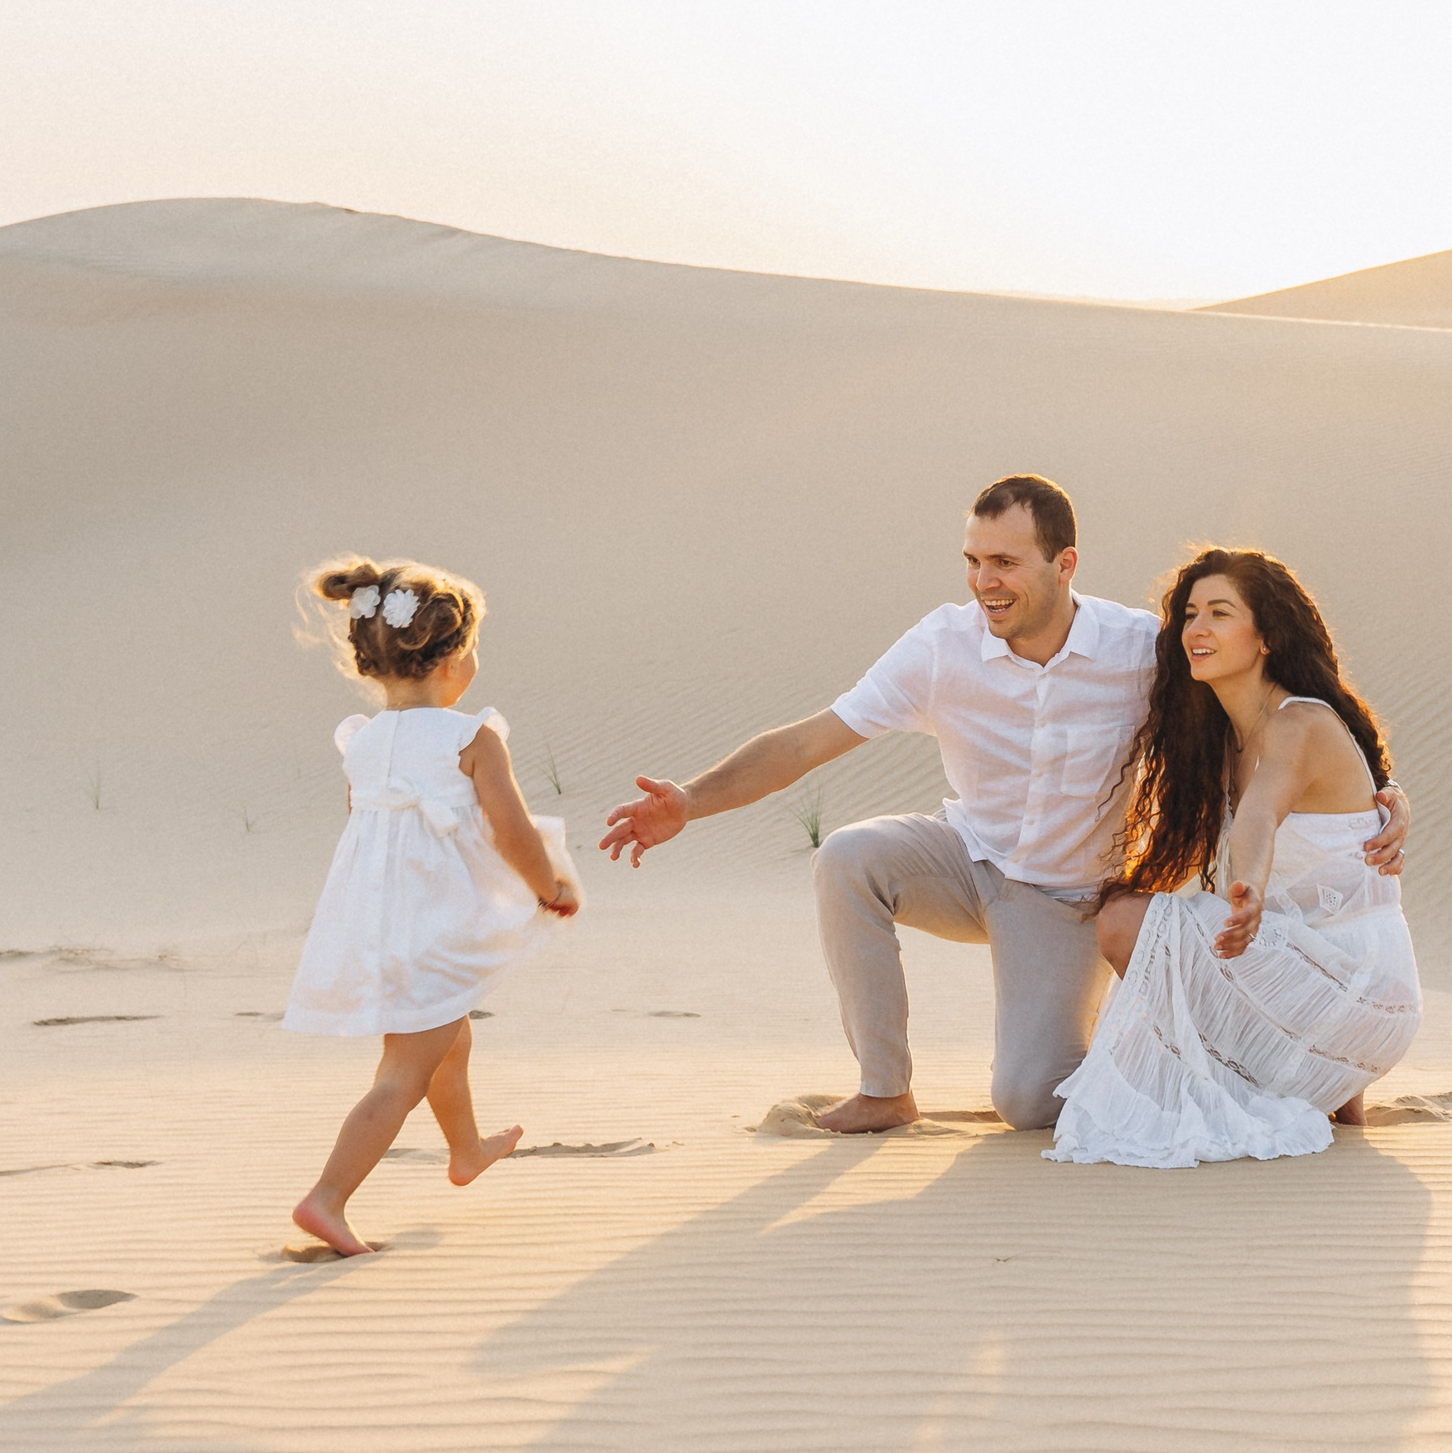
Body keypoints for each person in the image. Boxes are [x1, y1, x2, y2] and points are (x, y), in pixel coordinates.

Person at [599, 477, 1408, 1133]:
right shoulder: (942, 647)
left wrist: (1383, 794)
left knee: (1028, 1103)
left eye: (1007, 562)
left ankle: (1210, 1069)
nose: (986, 581)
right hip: (968, 858)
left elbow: (1282, 726)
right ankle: (885, 1089)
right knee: (849, 855)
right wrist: (692, 800)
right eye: (974, 560)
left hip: (1065, 898)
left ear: (1065, 564)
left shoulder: (1142, 652)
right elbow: (808, 742)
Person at [1044, 547, 1421, 1168]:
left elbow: (1259, 820)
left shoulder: (1297, 725)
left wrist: (1246, 887)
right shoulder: (1224, 740)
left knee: (1125, 921)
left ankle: (1315, 1073)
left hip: (1361, 989)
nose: (1198, 629)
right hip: (1319, 979)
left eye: (1220, 613)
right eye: (1191, 614)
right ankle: (1326, 1083)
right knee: (1152, 916)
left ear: (1267, 636)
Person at [284, 556, 583, 1256]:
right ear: (450, 660)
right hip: (430, 930)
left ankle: (467, 1149)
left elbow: (369, 836)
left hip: (375, 926)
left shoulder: (363, 742)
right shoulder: (470, 738)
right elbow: (510, 829)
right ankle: (326, 1198)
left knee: (450, 1037)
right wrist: (550, 887)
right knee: (401, 1076)